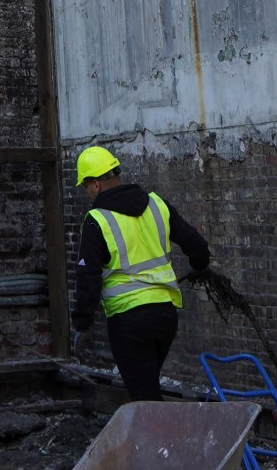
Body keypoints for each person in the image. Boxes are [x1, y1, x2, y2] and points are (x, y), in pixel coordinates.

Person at [69, 145, 210, 402]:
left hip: (129, 322)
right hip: (165, 316)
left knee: (145, 398)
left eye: (85, 186)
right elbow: (198, 246)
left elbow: (87, 280)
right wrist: (199, 266)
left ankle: (162, 441)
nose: (87, 193)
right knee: (146, 387)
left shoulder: (96, 220)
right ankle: (157, 438)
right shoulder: (157, 205)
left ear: (96, 184)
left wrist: (82, 325)